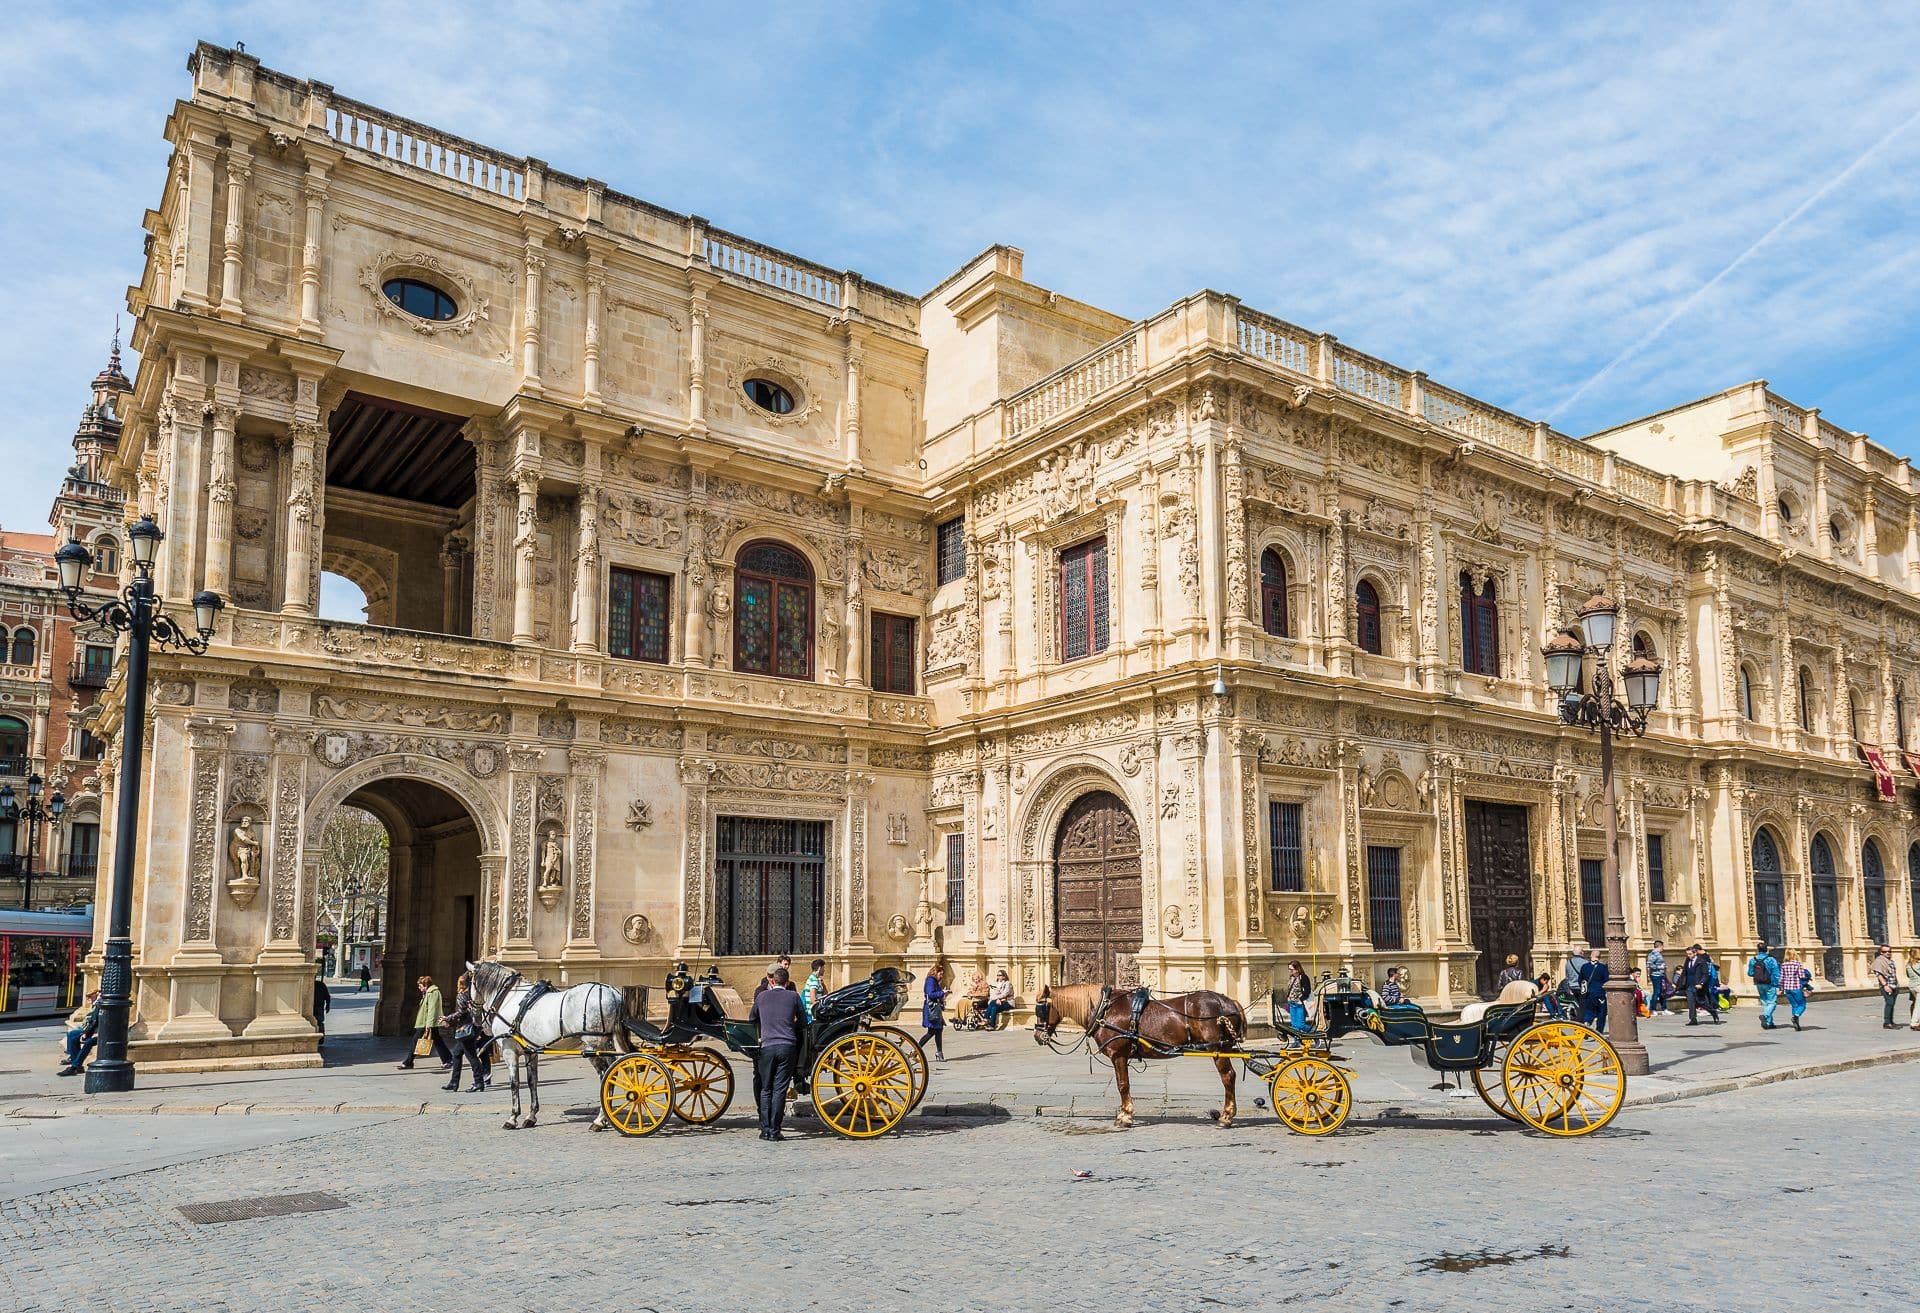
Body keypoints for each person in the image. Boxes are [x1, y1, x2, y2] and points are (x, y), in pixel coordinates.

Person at [750, 966, 805, 1140]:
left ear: (772, 981)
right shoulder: (793, 996)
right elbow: (803, 1021)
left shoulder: (761, 996)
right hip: (787, 1046)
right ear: (787, 982)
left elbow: (752, 1019)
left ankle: (765, 1129)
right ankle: (775, 1131)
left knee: (766, 1089)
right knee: (780, 1089)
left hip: (767, 1047)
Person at [444, 970, 491, 1093]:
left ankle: (478, 1082)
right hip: (473, 1028)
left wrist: (447, 1018)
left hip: (464, 1030)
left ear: (459, 983)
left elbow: (461, 1013)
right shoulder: (472, 995)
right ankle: (454, 1082)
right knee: (456, 1054)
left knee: (472, 1057)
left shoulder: (461, 996)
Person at [399, 975, 454, 1070]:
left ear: (426, 985)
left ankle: (408, 1062)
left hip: (427, 1023)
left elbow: (432, 1009)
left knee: (416, 1041)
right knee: (437, 1041)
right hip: (427, 1022)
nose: (419, 988)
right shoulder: (429, 993)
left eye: (420, 986)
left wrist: (428, 1025)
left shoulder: (433, 992)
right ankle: (448, 1059)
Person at [58, 991, 101, 1076]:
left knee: (88, 1042)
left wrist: (86, 1034)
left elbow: (94, 1022)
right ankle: (77, 1066)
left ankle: (74, 1066)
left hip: (102, 1034)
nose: (87, 998)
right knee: (74, 1039)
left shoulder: (100, 1005)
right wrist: (86, 1033)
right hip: (95, 1032)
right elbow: (92, 1021)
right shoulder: (98, 1004)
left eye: (90, 996)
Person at [1680, 944, 1720, 1025]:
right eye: (1687, 954)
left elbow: (1705, 974)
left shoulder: (1701, 961)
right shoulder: (1687, 960)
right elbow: (1685, 971)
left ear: (1695, 953)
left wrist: (1701, 983)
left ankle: (1713, 1012)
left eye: (1690, 954)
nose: (1688, 956)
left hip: (1698, 985)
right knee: (1691, 1002)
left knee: (1701, 1002)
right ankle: (1693, 1019)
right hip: (1689, 984)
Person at [1746, 941, 1781, 1030]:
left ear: (1758, 949)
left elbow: (1750, 973)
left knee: (1765, 1002)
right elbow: (1776, 973)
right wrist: (1779, 984)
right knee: (1772, 1002)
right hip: (1770, 983)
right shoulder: (1771, 959)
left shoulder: (1753, 960)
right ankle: (1765, 1016)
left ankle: (1769, 1023)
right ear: (1766, 949)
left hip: (1758, 983)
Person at [1778, 950, 1813, 1031]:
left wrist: (1781, 988)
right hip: (1796, 987)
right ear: (1795, 955)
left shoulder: (1783, 965)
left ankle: (1796, 1023)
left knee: (1794, 1005)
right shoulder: (1798, 964)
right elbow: (1802, 976)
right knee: (1802, 1005)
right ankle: (1795, 1017)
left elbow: (1781, 978)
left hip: (1787, 989)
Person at [921, 961, 948, 1060]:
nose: (941, 976)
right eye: (940, 974)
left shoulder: (935, 982)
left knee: (939, 1030)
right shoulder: (930, 980)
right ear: (935, 972)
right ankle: (916, 1050)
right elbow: (930, 994)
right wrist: (942, 993)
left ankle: (939, 1052)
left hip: (935, 1009)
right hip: (931, 1009)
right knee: (931, 1031)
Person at [1870, 944, 1900, 1029]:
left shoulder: (1890, 961)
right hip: (1887, 985)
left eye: (1889, 951)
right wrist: (1885, 985)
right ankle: (1887, 1022)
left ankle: (1891, 1021)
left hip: (1894, 985)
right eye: (1885, 951)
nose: (1887, 953)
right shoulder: (1879, 961)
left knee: (1892, 1004)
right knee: (1889, 1003)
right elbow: (1878, 974)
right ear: (1881, 952)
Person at [1580, 950, 1609, 1029]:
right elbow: (1606, 981)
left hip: (1588, 993)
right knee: (1601, 1013)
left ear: (1590, 956)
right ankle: (1599, 1030)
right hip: (1599, 994)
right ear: (1599, 957)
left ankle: (1587, 1023)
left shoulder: (1584, 967)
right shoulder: (1602, 967)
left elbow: (1580, 980)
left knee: (1589, 1011)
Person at [1283, 961, 1311, 1036]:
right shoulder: (1291, 977)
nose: (1290, 971)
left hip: (1299, 1004)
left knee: (1301, 1025)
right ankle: (1296, 1042)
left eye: (1291, 969)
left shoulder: (1303, 977)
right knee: (1294, 1026)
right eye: (1289, 969)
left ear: (1297, 969)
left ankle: (1314, 1034)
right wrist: (1288, 998)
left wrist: (1300, 999)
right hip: (1291, 1003)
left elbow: (1307, 990)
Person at [1646, 941, 1670, 1013]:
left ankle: (1664, 1009)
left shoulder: (1658, 954)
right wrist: (1659, 967)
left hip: (1661, 975)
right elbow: (1649, 965)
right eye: (1663, 946)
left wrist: (1664, 967)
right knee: (1657, 992)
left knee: (1662, 992)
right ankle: (1653, 1009)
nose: (1663, 948)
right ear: (1660, 946)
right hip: (1656, 975)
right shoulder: (1653, 954)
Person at [312, 972, 333, 1045]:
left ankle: (320, 1037)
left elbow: (327, 996)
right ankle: (320, 1037)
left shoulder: (320, 985)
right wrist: (328, 1005)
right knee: (319, 1022)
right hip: (317, 1006)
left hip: (318, 1006)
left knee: (319, 1022)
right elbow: (327, 996)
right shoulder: (321, 984)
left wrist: (328, 1005)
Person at [1904, 948, 1920, 1030]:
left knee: (1916, 1004)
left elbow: (1908, 975)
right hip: (1919, 986)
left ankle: (1916, 1022)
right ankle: (1914, 1023)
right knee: (1918, 1006)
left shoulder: (1908, 964)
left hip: (1912, 986)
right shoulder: (1918, 964)